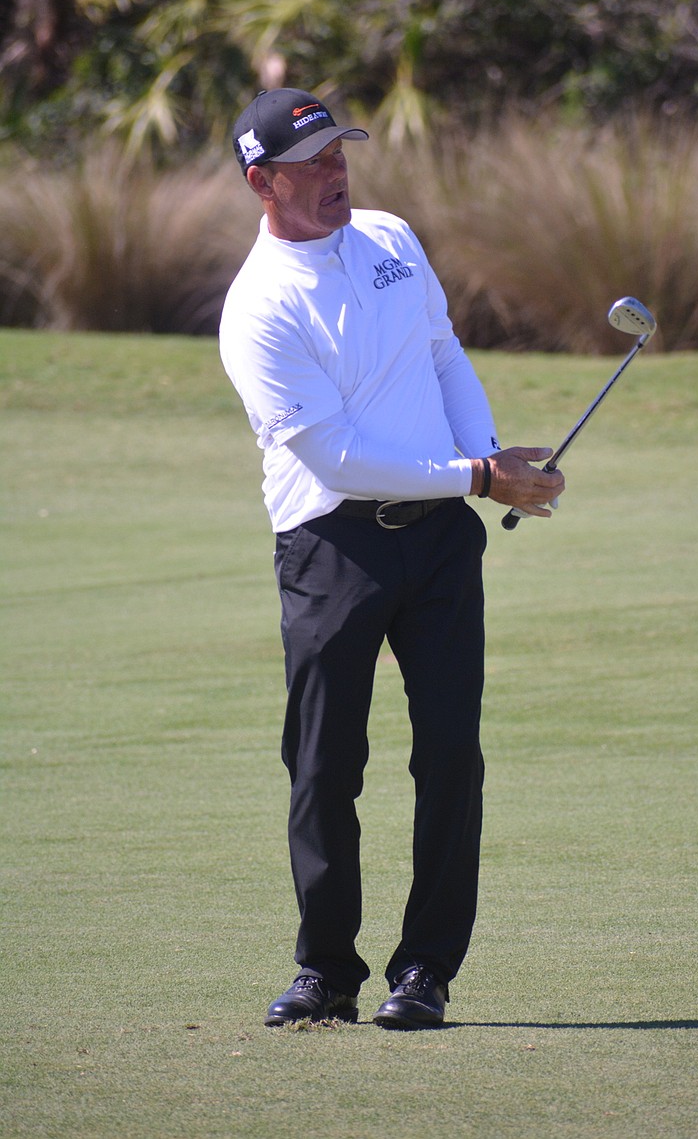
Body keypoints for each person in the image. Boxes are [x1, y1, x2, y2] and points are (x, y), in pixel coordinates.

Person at [219, 87, 564, 1030]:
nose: (336, 175)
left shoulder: (392, 238)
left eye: (341, 155)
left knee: (452, 755)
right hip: (333, 545)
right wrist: (478, 476)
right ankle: (328, 970)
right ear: (263, 182)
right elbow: (334, 457)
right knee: (326, 764)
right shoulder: (257, 310)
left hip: (445, 536)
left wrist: (489, 460)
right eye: (312, 164)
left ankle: (426, 971)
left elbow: (444, 354)